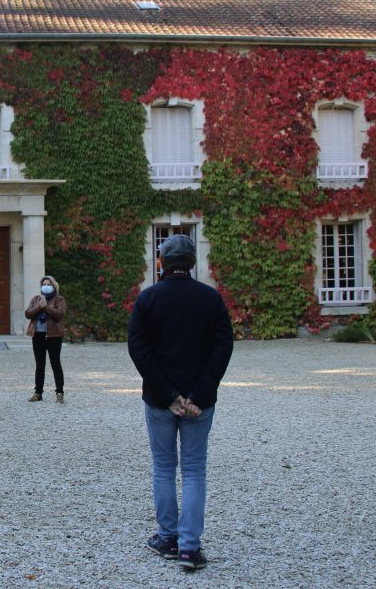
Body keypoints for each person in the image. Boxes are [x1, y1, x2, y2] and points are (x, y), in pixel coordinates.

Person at [127, 234, 234, 571]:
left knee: (163, 468)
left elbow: (139, 351)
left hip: (160, 402)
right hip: (199, 403)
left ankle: (168, 537)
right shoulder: (210, 299)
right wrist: (198, 395)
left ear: (162, 262)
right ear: (191, 262)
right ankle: (189, 547)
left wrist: (169, 396)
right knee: (193, 471)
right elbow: (222, 349)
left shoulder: (148, 299)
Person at [25, 275, 68, 403]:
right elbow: (28, 313)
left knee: (56, 364)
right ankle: (38, 393)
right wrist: (39, 306)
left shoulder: (59, 299)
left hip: (54, 336)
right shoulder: (36, 299)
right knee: (39, 365)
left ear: (54, 286)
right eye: (44, 284)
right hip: (37, 335)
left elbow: (60, 315)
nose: (46, 286)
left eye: (49, 284)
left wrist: (46, 307)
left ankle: (59, 393)